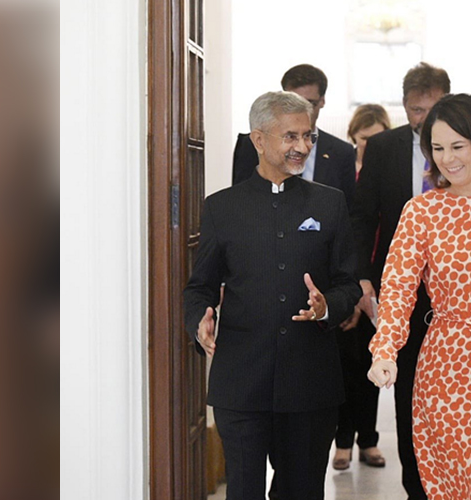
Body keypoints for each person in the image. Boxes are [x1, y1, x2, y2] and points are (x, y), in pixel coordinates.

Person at [350, 63, 471, 499]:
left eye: (458, 145)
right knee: (452, 481)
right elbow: (397, 288)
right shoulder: (422, 212)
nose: (447, 159)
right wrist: (385, 350)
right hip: (446, 365)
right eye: (437, 148)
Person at [183, 91, 361, 500]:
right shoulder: (221, 209)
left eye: (309, 136)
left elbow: (348, 284)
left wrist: (326, 307)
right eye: (290, 136)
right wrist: (199, 321)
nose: (302, 146)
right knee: (243, 490)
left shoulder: (329, 204)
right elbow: (200, 288)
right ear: (258, 140)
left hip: (310, 382)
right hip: (241, 380)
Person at [349, 61, 450, 500]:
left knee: (449, 396)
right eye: (413, 110)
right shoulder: (384, 148)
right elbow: (362, 217)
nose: (421, 119)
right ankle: (417, 488)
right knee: (408, 393)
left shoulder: (463, 148)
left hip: (456, 292)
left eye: (430, 109)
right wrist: (364, 280)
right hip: (400, 289)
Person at [330, 103, 393, 471]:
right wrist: (351, 286)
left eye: (378, 138)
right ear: (354, 136)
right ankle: (342, 442)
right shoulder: (343, 172)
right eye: (365, 138)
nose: (371, 145)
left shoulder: (389, 174)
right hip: (344, 283)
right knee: (342, 366)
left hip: (381, 283)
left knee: (373, 364)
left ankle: (368, 441)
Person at [232, 64, 357, 209]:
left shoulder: (341, 152)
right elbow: (240, 200)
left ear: (322, 101)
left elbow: (349, 211)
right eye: (293, 102)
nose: (302, 111)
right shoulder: (252, 144)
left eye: (309, 103)